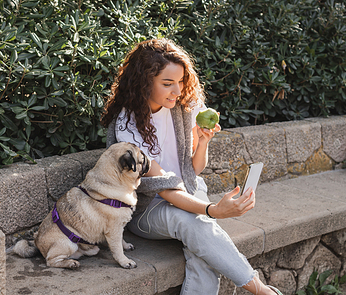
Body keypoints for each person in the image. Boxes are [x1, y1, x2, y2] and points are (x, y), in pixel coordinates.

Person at [101, 39, 283, 295]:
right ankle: (263, 291)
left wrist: (203, 142)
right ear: (143, 82)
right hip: (146, 209)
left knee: (201, 245)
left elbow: (193, 170)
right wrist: (213, 210)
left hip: (187, 190)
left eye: (180, 82)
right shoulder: (127, 127)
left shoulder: (182, 107)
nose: (177, 91)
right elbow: (164, 189)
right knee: (195, 223)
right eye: (167, 84)